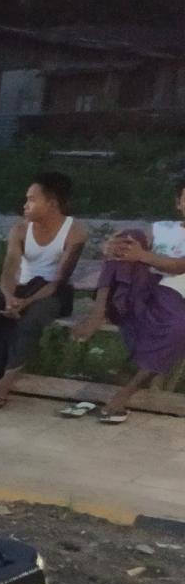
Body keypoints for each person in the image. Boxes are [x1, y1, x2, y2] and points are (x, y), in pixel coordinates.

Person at [0, 172, 87, 408]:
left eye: (32, 199)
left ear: (52, 203)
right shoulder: (20, 229)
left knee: (32, 319)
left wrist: (26, 303)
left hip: (52, 292)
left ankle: (5, 382)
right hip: (21, 289)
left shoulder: (74, 231)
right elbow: (9, 271)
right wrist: (9, 297)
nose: (25, 205)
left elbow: (58, 281)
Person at [67, 177, 185, 425]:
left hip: (174, 297)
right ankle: (98, 312)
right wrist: (110, 245)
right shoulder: (162, 228)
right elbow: (126, 246)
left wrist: (142, 255)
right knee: (129, 235)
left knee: (179, 327)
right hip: (139, 289)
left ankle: (126, 391)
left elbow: (178, 266)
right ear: (178, 203)